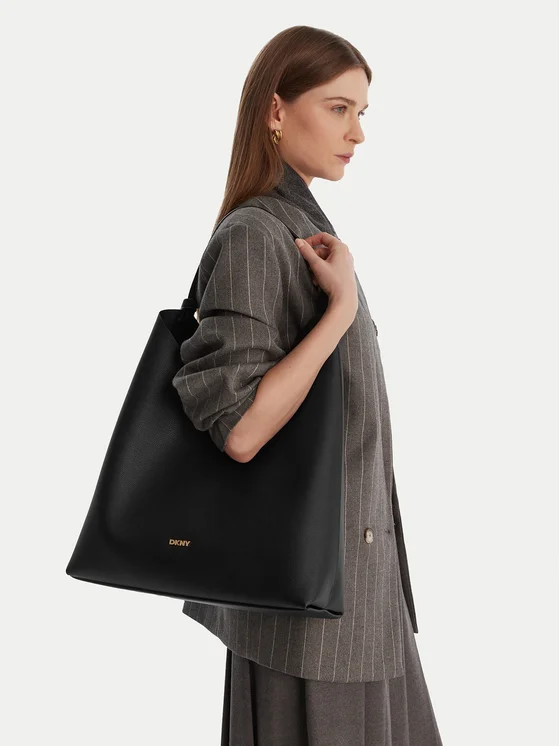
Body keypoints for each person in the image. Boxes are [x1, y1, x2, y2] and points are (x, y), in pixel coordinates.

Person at [172, 24, 443, 746]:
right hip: (310, 615)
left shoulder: (299, 228)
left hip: (357, 597)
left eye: (362, 112)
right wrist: (341, 312)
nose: (358, 133)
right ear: (276, 109)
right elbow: (240, 430)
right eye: (338, 108)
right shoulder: (256, 236)